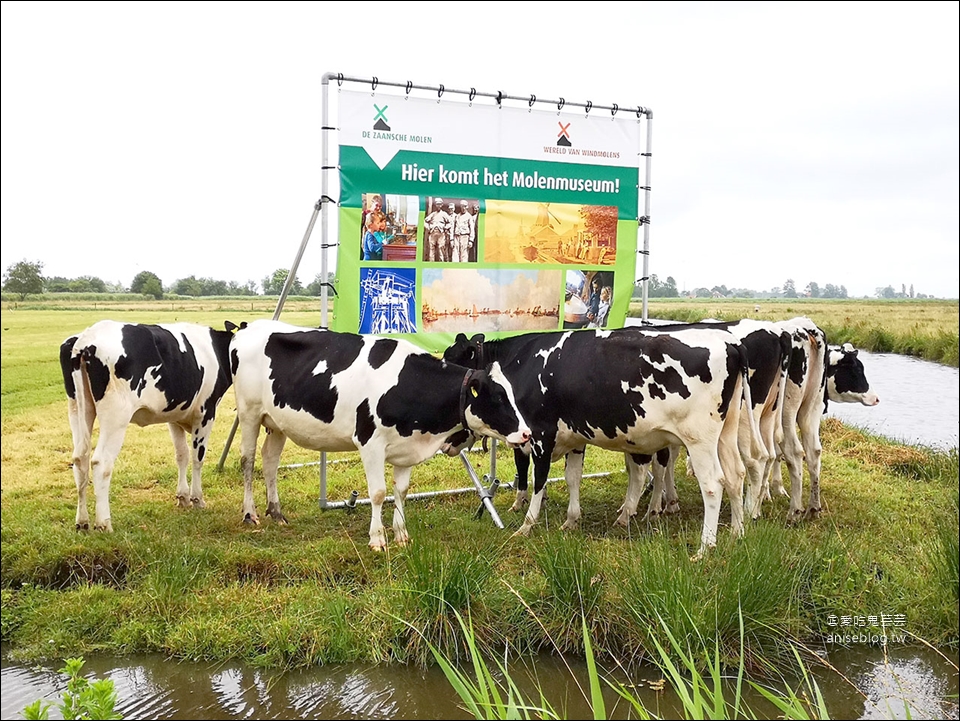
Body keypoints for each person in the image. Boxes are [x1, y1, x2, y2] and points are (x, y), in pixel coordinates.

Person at [424, 197, 451, 261]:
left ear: (441, 205)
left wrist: (445, 227)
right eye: (437, 204)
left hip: (441, 233)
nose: (438, 206)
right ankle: (431, 264)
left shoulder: (444, 214)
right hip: (433, 233)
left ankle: (441, 263)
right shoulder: (433, 214)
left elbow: (450, 222)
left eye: (439, 204)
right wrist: (428, 227)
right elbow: (425, 221)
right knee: (431, 249)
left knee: (441, 249)